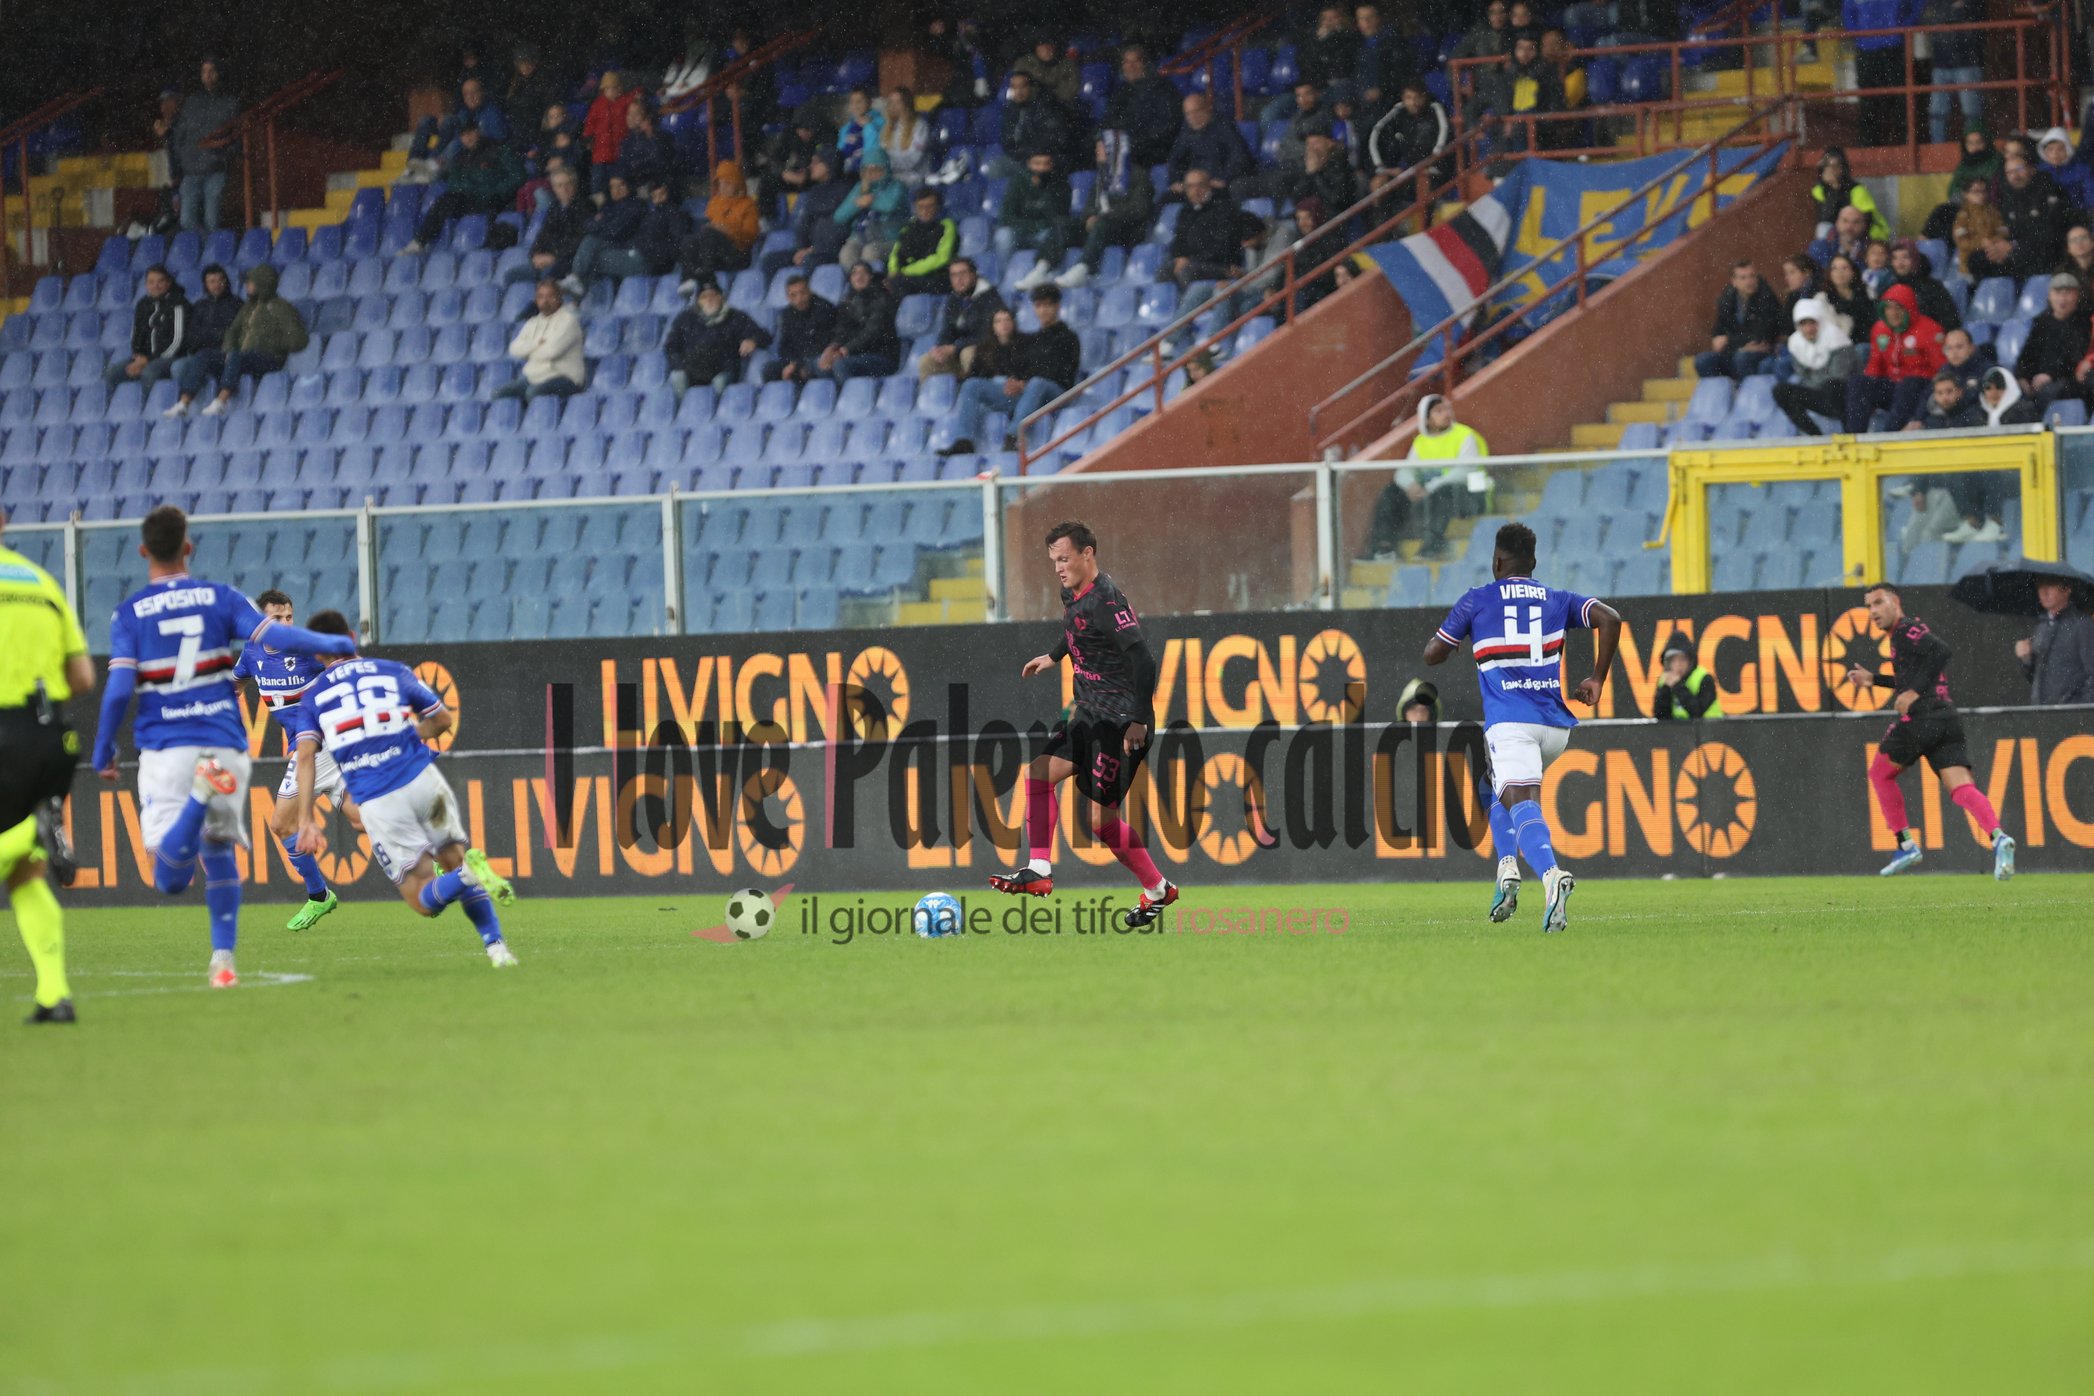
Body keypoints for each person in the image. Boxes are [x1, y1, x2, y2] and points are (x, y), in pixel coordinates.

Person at [90, 507, 357, 988]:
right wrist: (331, 638)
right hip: (224, 745)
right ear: (188, 548)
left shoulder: (129, 613)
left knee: (170, 879)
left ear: (142, 551)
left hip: (169, 746)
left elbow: (117, 690)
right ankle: (224, 959)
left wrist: (103, 748)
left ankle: (198, 799)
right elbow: (263, 644)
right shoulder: (222, 599)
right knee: (221, 850)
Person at [1423, 521, 1623, 930]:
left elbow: (1432, 654)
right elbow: (1610, 618)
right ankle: (1507, 868)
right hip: (1554, 729)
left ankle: (1552, 878)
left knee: (1521, 799)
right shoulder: (1557, 598)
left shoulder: (1476, 600)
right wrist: (1597, 677)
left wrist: (1452, 640)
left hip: (1510, 724)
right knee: (1494, 785)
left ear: (1496, 560)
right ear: (1532, 562)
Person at [289, 613, 518, 968]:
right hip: (425, 780)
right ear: (351, 637)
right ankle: (497, 948)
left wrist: (305, 820)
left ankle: (469, 876)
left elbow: (305, 757)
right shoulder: (391, 670)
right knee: (455, 858)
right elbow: (442, 719)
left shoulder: (314, 697)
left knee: (422, 898)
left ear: (317, 654)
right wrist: (411, 736)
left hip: (380, 798)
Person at [988, 521, 1176, 927]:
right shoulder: (1072, 592)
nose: (1059, 567)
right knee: (1038, 774)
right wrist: (1054, 656)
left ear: (1088, 553)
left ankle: (1159, 890)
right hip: (1087, 712)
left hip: (1120, 724)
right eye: (1054, 560)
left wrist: (1139, 720)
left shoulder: (1107, 602)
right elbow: (1076, 629)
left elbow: (1144, 659)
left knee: (1099, 823)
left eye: (1065, 558)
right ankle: (1039, 870)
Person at [1848, 582, 2015, 879]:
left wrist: (1912, 692)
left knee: (1879, 773)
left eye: (1878, 603)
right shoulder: (1904, 637)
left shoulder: (1905, 630)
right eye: (1868, 606)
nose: (1872, 611)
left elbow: (1941, 650)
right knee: (1962, 789)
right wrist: (1874, 679)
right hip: (1945, 719)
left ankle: (1906, 845)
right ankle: (1999, 838)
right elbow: (1911, 674)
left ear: (1895, 602)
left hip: (1922, 718)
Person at [0, 507, 95, 1023]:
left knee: (16, 854)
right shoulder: (40, 582)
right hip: (48, 737)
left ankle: (28, 832)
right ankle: (53, 994)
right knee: (24, 875)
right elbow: (82, 677)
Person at [231, 586, 360, 932]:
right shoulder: (252, 653)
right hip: (316, 749)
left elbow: (348, 661)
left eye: (290, 616)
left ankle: (319, 896)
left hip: (321, 745)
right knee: (363, 821)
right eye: (278, 618)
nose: (287, 623)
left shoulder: (307, 647)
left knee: (281, 823)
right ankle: (434, 852)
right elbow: (236, 683)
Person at [944, 284, 1081, 454]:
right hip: (1030, 394)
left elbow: (1064, 374)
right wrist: (1015, 383)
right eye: (1039, 305)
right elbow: (1022, 369)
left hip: (1057, 393)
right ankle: (964, 441)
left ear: (1057, 306)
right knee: (972, 385)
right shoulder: (1032, 339)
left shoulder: (1069, 338)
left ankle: (1012, 436)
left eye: (1048, 305)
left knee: (1037, 383)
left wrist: (1025, 384)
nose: (1043, 310)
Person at [163, 263, 306, 418]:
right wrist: (228, 350)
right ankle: (183, 404)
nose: (247, 286)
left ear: (262, 283)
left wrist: (272, 344)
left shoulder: (281, 307)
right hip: (245, 356)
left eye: (250, 283)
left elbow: (298, 339)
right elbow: (232, 332)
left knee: (237, 356)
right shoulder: (248, 307)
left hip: (269, 357)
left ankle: (220, 402)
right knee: (205, 355)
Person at [400, 124, 522, 255]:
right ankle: (420, 242)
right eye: (463, 135)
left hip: (494, 200)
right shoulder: (459, 158)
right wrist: (474, 189)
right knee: (445, 200)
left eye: (470, 132)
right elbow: (453, 184)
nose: (467, 137)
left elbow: (518, 175)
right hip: (469, 200)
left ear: (478, 131)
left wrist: (497, 191)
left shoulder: (499, 150)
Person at [1058, 132, 1154, 290]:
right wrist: (1089, 216)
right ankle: (1044, 267)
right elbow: (1090, 205)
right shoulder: (1101, 176)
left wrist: (1104, 216)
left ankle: (1082, 268)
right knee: (1063, 224)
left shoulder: (1138, 175)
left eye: (1102, 149)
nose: (1098, 153)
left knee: (1102, 223)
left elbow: (1139, 210)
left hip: (1127, 232)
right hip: (1100, 228)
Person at [1845, 282, 1944, 432]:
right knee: (1859, 383)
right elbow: (1874, 367)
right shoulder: (1880, 329)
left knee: (1908, 385)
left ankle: (1890, 436)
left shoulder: (1930, 330)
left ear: (1909, 309)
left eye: (1899, 307)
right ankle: (1853, 439)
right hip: (1894, 387)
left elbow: (1942, 371)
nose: (1893, 313)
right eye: (1888, 307)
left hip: (1920, 390)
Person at [167, 59, 240, 233]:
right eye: (204, 71)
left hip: (215, 171)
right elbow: (179, 137)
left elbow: (236, 138)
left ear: (219, 73)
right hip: (191, 172)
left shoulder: (230, 103)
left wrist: (223, 157)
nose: (207, 75)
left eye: (211, 71)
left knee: (212, 221)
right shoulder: (191, 103)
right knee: (186, 221)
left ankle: (210, 255)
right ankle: (207, 251)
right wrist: (182, 162)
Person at [1772, 297, 1858, 435]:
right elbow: (1803, 375)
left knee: (1833, 386)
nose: (1809, 329)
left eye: (1812, 323)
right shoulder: (1796, 343)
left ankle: (1850, 435)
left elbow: (1839, 375)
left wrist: (1814, 375)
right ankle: (1814, 436)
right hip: (1820, 394)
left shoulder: (1836, 337)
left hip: (1847, 396)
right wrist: (1818, 376)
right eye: (1803, 324)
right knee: (1781, 391)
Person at [665, 281, 771, 394]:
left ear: (721, 297)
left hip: (722, 370)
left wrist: (752, 340)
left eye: (713, 295)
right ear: (698, 302)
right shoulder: (685, 318)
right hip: (691, 369)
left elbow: (763, 335)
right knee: (677, 376)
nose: (709, 300)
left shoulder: (735, 316)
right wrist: (680, 366)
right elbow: (671, 346)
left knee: (720, 382)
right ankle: (684, 410)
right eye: (704, 297)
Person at [1841, 0, 1918, 147]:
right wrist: (1860, 36)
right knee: (1869, 100)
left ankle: (1906, 145)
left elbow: (1917, 5)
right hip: (1868, 51)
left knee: (1901, 100)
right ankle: (1870, 147)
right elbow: (1848, 12)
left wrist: (1903, 28)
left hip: (1893, 48)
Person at [493, 279, 586, 401]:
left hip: (565, 378)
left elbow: (552, 351)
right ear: (536, 300)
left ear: (559, 298)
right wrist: (537, 343)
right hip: (535, 378)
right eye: (541, 297)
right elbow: (514, 349)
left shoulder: (568, 321)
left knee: (534, 393)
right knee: (499, 394)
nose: (545, 301)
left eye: (550, 296)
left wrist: (529, 351)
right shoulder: (532, 322)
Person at [1167, 168, 1258, 288]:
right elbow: (1179, 239)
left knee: (1187, 270)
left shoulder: (1224, 208)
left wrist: (1190, 259)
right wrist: (1180, 256)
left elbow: (1222, 246)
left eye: (1200, 185)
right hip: (1195, 263)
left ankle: (1193, 304)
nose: (1195, 190)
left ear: (1209, 185)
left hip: (1221, 265)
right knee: (1165, 271)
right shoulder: (1186, 211)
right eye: (1190, 186)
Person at [104, 264, 188, 394]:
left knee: (149, 372)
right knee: (112, 373)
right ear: (146, 285)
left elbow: (177, 341)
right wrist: (139, 357)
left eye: (160, 281)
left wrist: (147, 360)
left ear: (168, 283)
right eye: (151, 282)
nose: (155, 286)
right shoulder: (143, 304)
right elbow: (137, 336)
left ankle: (147, 410)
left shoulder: (179, 303)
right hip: (146, 358)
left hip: (172, 357)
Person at [998, 153, 1075, 291]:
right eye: (1037, 163)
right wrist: (1031, 227)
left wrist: (1044, 187)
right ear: (1029, 164)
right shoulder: (1018, 182)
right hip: (1021, 232)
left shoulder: (1060, 183)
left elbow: (1058, 218)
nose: (1041, 168)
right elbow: (1006, 217)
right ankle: (1006, 277)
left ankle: (1045, 276)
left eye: (1046, 164)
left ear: (1052, 165)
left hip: (1044, 233)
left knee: (1055, 235)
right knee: (1003, 236)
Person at [1696, 260, 1783, 380]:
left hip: (1760, 354)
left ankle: (1746, 396)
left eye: (1752, 276)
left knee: (1743, 357)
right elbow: (1717, 334)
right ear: (1734, 282)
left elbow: (1760, 336)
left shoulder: (1767, 298)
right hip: (1733, 352)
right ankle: (1721, 397)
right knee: (1703, 361)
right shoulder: (1727, 300)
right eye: (1743, 278)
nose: (1749, 281)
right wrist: (1735, 343)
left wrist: (1728, 340)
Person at [2013, 273, 2091, 408]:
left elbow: (2075, 356)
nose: (2062, 298)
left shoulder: (2083, 322)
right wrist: (2023, 377)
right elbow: (2027, 354)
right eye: (2058, 292)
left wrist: (2050, 376)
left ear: (2077, 296)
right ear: (2050, 295)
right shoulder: (2041, 322)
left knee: (2051, 391)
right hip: (2038, 381)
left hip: (2067, 381)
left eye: (2067, 293)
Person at [560, 173, 646, 293]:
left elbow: (615, 232)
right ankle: (576, 287)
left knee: (589, 250)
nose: (616, 190)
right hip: (612, 250)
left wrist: (600, 223)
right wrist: (602, 225)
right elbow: (587, 225)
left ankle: (576, 287)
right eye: (612, 187)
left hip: (631, 254)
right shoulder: (609, 206)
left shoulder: (637, 205)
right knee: (588, 256)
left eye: (621, 185)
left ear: (629, 186)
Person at [678, 161, 761, 285]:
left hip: (737, 254)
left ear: (737, 184)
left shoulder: (748, 205)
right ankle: (688, 280)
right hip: (716, 254)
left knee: (710, 235)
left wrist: (726, 230)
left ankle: (708, 277)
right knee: (688, 241)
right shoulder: (715, 202)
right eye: (720, 183)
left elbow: (750, 237)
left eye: (727, 183)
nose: (723, 187)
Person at [919, 257, 1004, 377]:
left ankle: (971, 392)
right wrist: (941, 348)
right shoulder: (953, 299)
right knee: (926, 362)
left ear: (974, 275)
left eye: (962, 273)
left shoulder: (990, 297)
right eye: (953, 275)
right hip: (958, 352)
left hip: (986, 353)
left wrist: (956, 347)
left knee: (968, 353)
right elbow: (947, 330)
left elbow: (987, 334)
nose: (958, 279)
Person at [2016, 574, 2094, 705]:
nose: (2044, 592)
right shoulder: (2041, 626)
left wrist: (2079, 708)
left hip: (2070, 715)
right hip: (2043, 714)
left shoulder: (2082, 624)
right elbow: (2037, 678)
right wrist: (2026, 659)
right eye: (2040, 585)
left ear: (2067, 589)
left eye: (2050, 585)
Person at [1105, 45, 1184, 167]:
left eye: (1135, 61)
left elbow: (1167, 126)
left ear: (1145, 63)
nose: (1130, 67)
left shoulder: (1162, 87)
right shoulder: (1121, 91)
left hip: (1153, 152)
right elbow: (1108, 120)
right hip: (1125, 149)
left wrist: (1134, 142)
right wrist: (1100, 139)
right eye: (1126, 62)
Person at [822, 260, 902, 382]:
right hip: (856, 355)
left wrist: (845, 350)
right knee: (820, 365)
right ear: (850, 279)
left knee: (841, 365)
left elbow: (872, 332)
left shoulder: (881, 297)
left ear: (871, 277)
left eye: (864, 273)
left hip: (882, 356)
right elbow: (841, 330)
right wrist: (831, 348)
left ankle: (852, 399)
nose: (859, 276)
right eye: (855, 273)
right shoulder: (847, 302)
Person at [509, 167, 589, 285]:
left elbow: (578, 241)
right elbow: (543, 234)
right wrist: (535, 255)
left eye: (568, 184)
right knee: (510, 276)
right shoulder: (554, 207)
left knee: (546, 276)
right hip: (547, 259)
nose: (564, 189)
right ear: (554, 189)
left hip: (565, 262)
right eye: (559, 185)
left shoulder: (585, 207)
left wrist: (553, 257)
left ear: (575, 185)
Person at [1368, 80, 1451, 189]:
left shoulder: (1435, 109)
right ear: (1403, 98)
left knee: (1424, 182)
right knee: (1378, 183)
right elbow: (1376, 133)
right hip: (1407, 171)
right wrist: (1380, 168)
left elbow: (1444, 137)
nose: (1413, 102)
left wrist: (1432, 162)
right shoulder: (1399, 111)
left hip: (1432, 169)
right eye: (1409, 97)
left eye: (1417, 97)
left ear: (1424, 97)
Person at [1923, 0, 1985, 143]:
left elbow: (1976, 14)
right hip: (1941, 62)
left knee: (1972, 111)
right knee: (1937, 112)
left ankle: (1973, 147)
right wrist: (1952, 13)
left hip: (1967, 61)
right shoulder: (1934, 3)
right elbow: (1925, 18)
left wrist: (1945, 17)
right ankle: (1937, 148)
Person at [836, 147, 907, 271]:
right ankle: (855, 286)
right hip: (861, 235)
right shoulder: (860, 187)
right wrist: (857, 203)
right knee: (846, 253)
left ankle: (872, 286)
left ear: (885, 169)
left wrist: (870, 201)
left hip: (889, 237)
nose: (871, 174)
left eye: (876, 169)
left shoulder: (897, 186)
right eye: (866, 170)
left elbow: (890, 205)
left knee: (871, 252)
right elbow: (839, 217)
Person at [1168, 93, 1254, 196]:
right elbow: (1175, 160)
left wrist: (1224, 179)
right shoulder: (1186, 131)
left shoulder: (1223, 126)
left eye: (1196, 112)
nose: (1192, 117)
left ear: (1206, 109)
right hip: (1194, 185)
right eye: (1188, 114)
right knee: (1165, 199)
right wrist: (1176, 180)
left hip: (1218, 183)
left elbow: (1240, 156)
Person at [765, 274, 839, 384]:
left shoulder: (823, 308)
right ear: (787, 297)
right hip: (799, 362)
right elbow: (785, 347)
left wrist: (798, 364)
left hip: (820, 358)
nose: (799, 299)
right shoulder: (787, 314)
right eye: (793, 295)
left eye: (802, 293)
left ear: (809, 291)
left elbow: (820, 344)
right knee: (769, 370)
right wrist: (794, 363)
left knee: (818, 367)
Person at [1998, 153, 2069, 265]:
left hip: (2047, 259)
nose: (2015, 175)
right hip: (2016, 259)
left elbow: (2050, 233)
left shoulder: (2049, 191)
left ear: (2032, 169)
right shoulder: (2006, 197)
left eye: (2019, 169)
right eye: (2009, 172)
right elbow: (2007, 229)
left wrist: (2014, 246)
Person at [887, 186, 957, 297]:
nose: (925, 211)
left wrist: (905, 272)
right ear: (915, 207)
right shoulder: (908, 227)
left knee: (899, 286)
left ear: (938, 207)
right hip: (908, 277)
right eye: (921, 207)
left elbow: (942, 258)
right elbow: (895, 254)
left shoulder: (947, 225)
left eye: (930, 206)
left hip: (935, 276)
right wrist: (894, 270)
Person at [582, 71, 640, 196]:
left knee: (619, 182)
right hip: (600, 153)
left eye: (615, 88)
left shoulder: (625, 101)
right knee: (598, 182)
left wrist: (639, 94)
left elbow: (637, 95)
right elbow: (590, 124)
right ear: (603, 90)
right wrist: (587, 138)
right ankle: (599, 206)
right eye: (608, 89)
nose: (612, 91)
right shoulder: (597, 105)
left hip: (619, 152)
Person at [1810, 147, 1887, 239]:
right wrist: (1834, 189)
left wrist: (1835, 186)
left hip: (1870, 235)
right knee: (1823, 228)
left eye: (1835, 166)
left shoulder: (1857, 189)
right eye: (1827, 166)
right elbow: (1827, 218)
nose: (1831, 170)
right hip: (1841, 235)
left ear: (1843, 168)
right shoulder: (1818, 190)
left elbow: (1866, 220)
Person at [1651, 633, 1723, 720]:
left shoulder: (1704, 679)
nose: (1678, 665)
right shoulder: (1664, 680)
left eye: (1682, 659)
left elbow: (1697, 712)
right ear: (1667, 663)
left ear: (1690, 661)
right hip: (1678, 732)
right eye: (1673, 661)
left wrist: (1678, 686)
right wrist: (1666, 689)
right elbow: (1660, 716)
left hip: (1709, 731)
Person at [878, 87, 932, 187]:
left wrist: (886, 162)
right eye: (891, 102)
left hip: (915, 179)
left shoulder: (920, 126)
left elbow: (913, 159)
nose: (893, 106)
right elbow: (882, 152)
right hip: (892, 178)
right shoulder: (887, 128)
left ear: (907, 104)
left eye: (898, 102)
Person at [1951, 179, 2005, 275]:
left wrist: (1992, 242)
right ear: (1966, 194)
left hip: (1993, 254)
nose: (1981, 195)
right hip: (1970, 261)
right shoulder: (1963, 216)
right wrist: (1981, 243)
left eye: (1984, 191)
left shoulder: (1993, 212)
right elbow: (1961, 242)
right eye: (1976, 191)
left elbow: (2003, 231)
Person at [1013, 35, 1082, 109]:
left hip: (1059, 109)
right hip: (1029, 107)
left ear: (1055, 47)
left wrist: (1049, 96)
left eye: (1049, 45)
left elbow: (1069, 91)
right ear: (1035, 48)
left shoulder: (1067, 65)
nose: (1045, 49)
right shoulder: (1025, 63)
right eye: (1041, 45)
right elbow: (1018, 87)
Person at [2036, 128, 2094, 214]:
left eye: (2060, 149)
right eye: (2050, 149)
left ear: (2068, 150)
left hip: (2078, 216)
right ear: (2044, 151)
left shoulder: (2082, 170)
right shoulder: (2038, 170)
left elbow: (2090, 195)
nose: (2055, 154)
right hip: (2048, 218)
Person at [1907, 369, 1985, 431]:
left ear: (1959, 392)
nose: (1945, 397)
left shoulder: (1972, 416)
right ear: (1934, 395)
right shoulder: (1930, 422)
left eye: (1949, 391)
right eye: (1940, 393)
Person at [835, 87, 886, 173]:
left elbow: (874, 151)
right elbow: (840, 153)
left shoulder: (880, 122)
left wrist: (869, 126)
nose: (855, 106)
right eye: (852, 102)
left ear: (869, 102)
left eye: (859, 102)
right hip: (848, 172)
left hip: (870, 169)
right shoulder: (846, 128)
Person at [1822, 252, 1871, 335]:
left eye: (1844, 268)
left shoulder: (1867, 294)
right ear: (1829, 273)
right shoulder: (1823, 299)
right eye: (1835, 268)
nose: (1840, 272)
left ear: (1853, 272)